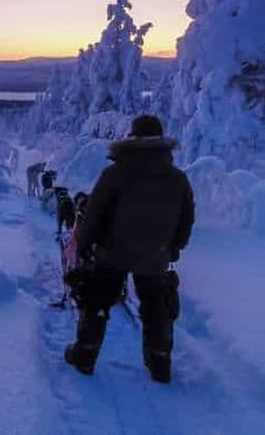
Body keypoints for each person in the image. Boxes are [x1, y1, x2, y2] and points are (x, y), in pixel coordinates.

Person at [64, 115, 194, 383]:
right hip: (156, 257)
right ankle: (160, 364)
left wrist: (86, 247)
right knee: (157, 307)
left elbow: (94, 215)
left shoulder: (114, 174)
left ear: (132, 137)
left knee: (96, 301)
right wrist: (172, 249)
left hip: (112, 254)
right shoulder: (178, 178)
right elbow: (186, 220)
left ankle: (84, 356)